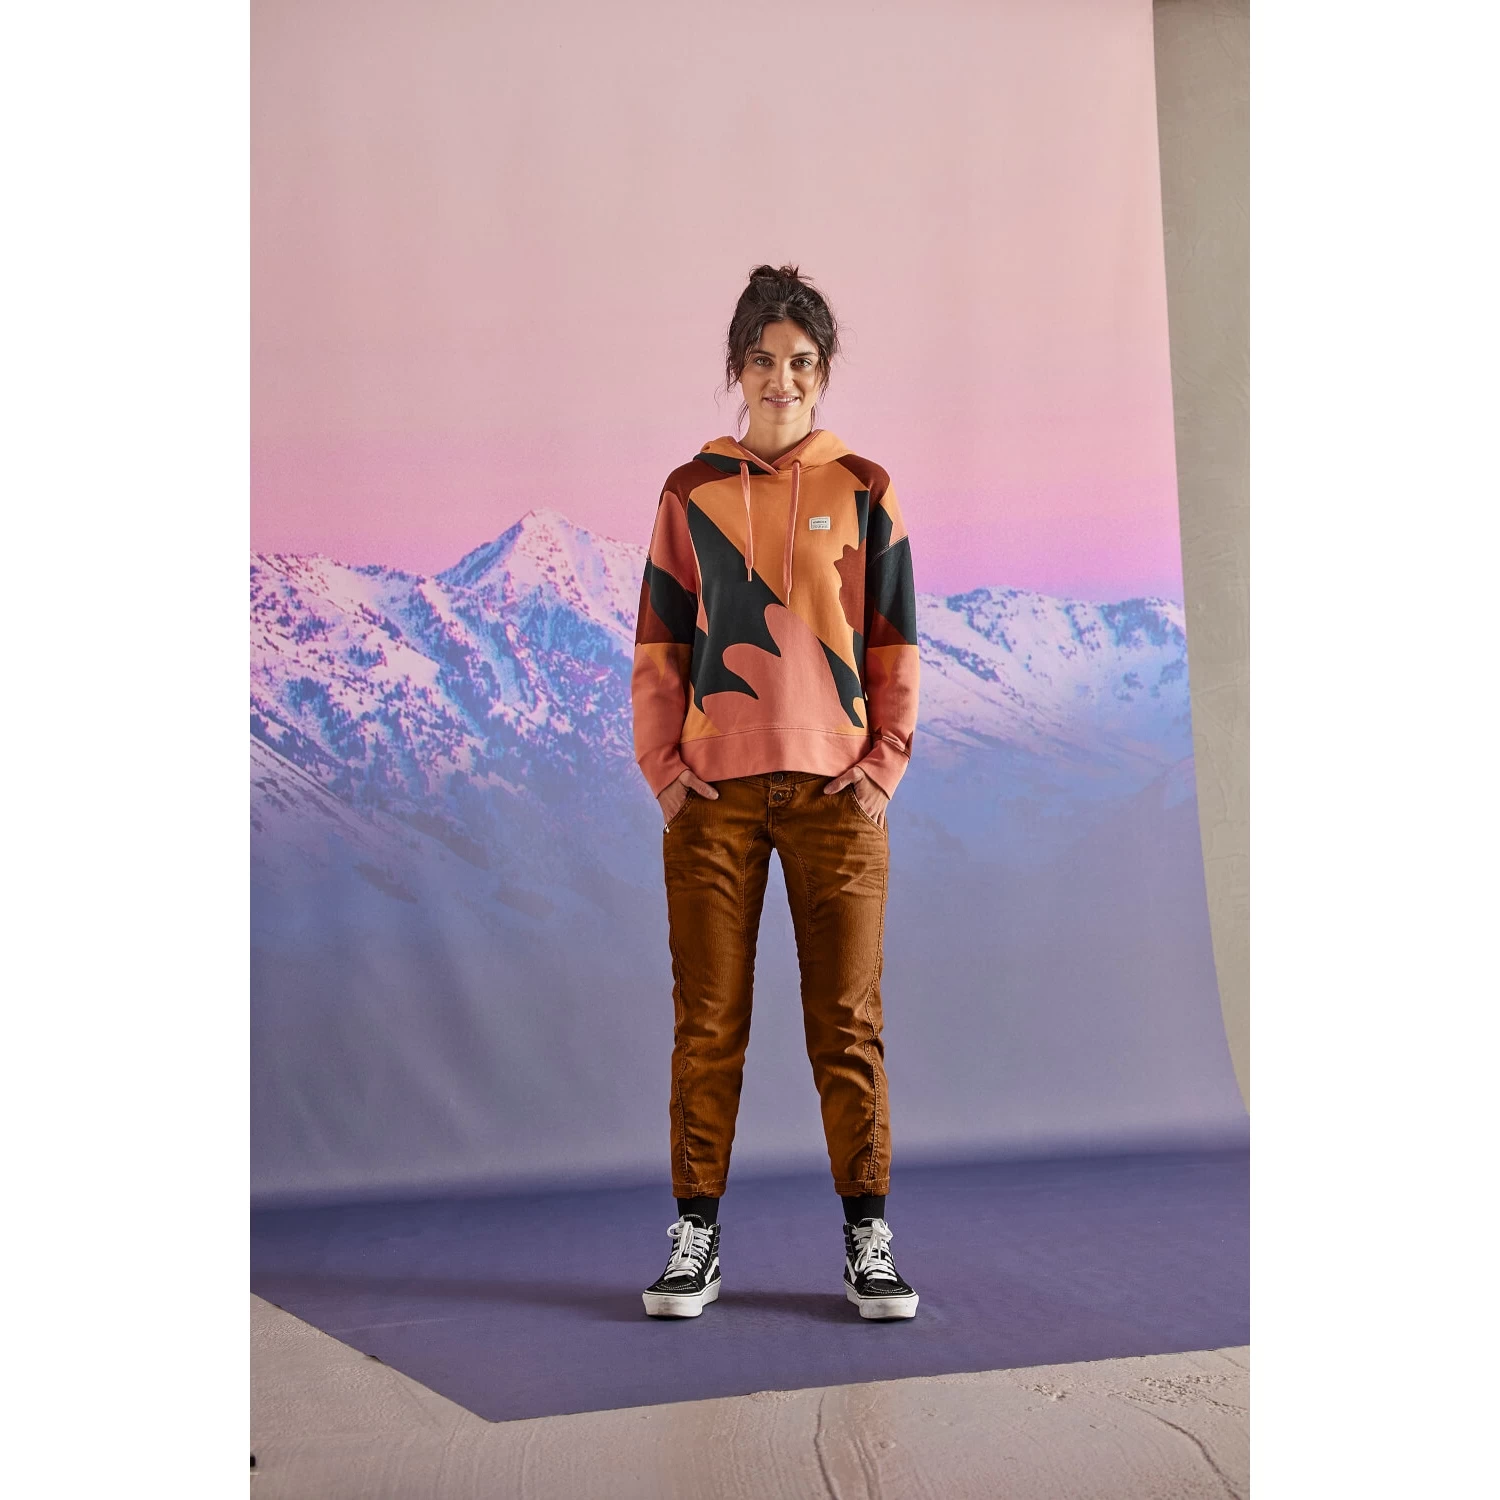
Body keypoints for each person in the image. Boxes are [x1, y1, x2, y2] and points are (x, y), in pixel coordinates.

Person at [630, 264, 922, 1321]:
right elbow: (660, 645)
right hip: (714, 804)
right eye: (762, 360)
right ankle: (695, 1240)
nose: (781, 379)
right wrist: (666, 775)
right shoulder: (689, 491)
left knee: (847, 1024)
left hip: (838, 799)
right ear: (737, 369)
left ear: (823, 370)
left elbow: (893, 639)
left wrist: (882, 765)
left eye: (800, 361)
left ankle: (868, 1241)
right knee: (708, 1026)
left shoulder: (865, 488)